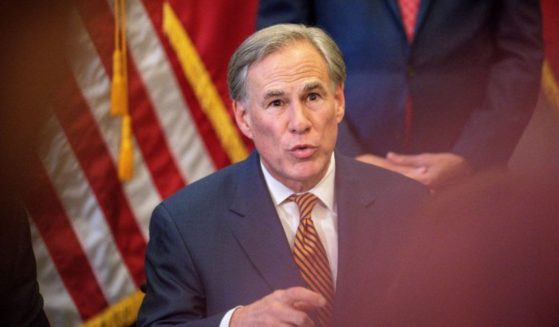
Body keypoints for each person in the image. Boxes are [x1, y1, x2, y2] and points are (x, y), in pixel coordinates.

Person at [137, 24, 428, 326]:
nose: (299, 122)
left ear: (339, 102)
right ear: (244, 118)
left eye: (313, 96)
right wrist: (235, 322)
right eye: (276, 103)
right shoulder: (186, 224)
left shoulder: (410, 203)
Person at [258, 0, 543, 191]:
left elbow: (519, 54)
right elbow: (278, 51)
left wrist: (470, 155)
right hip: (335, 174)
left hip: (467, 182)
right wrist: (340, 153)